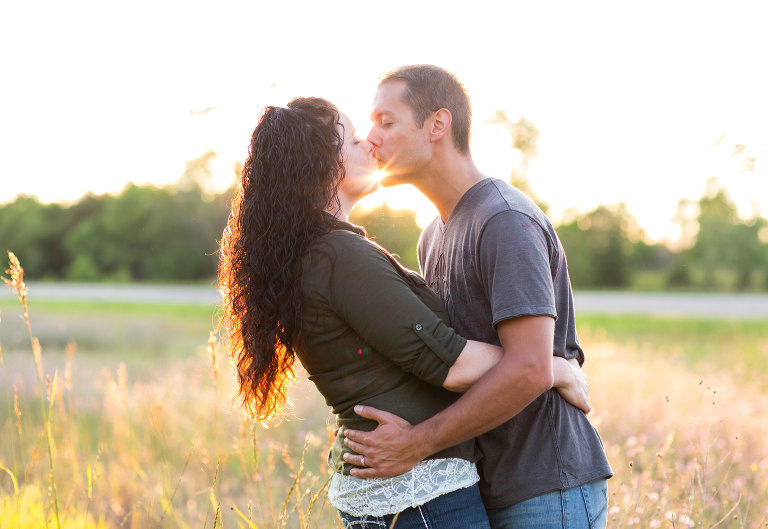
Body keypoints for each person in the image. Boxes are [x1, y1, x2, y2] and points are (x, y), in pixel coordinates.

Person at [217, 96, 591, 529]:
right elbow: (449, 362)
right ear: (322, 163)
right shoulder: (338, 255)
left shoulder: (317, 252)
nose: (370, 145)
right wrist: (553, 367)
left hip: (399, 491)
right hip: (420, 494)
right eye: (354, 139)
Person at [342, 65, 613, 529]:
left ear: (438, 125)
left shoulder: (504, 220)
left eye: (387, 122)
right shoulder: (433, 236)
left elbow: (529, 368)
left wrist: (417, 443)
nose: (371, 139)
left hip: (547, 487)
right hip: (485, 485)